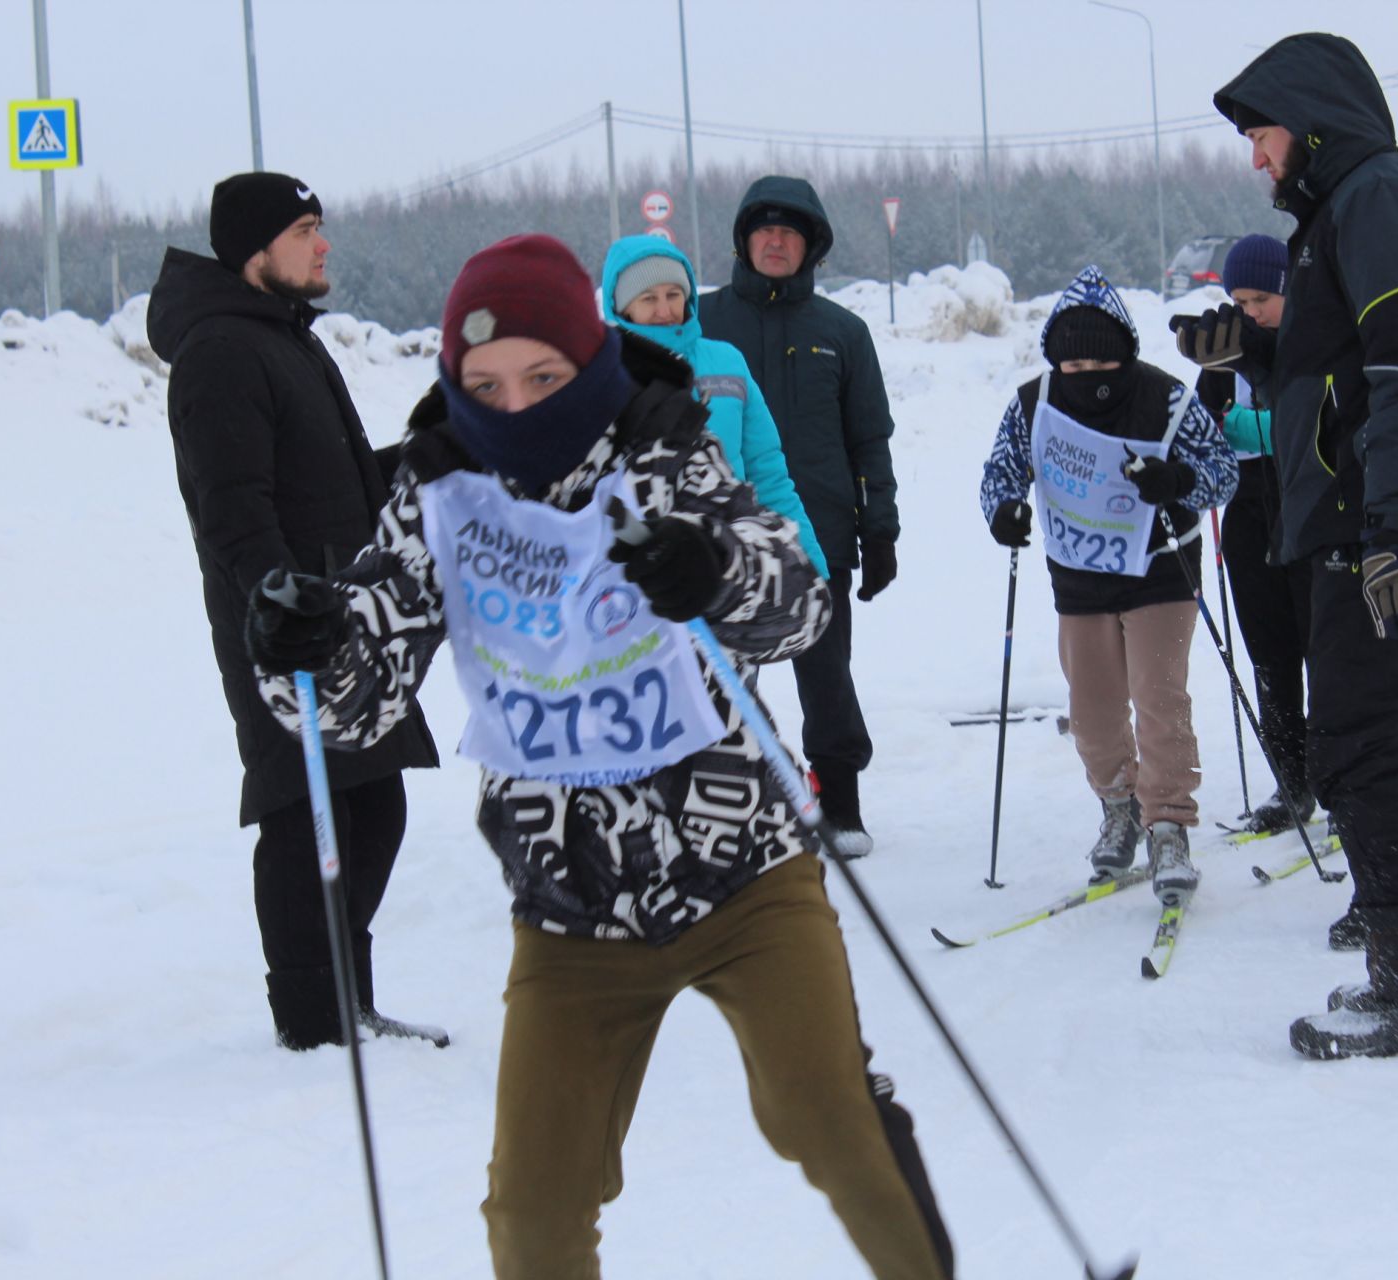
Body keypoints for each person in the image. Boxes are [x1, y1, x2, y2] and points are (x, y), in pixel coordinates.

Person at [244, 234, 956, 1273]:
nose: (515, 404)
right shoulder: (438, 485)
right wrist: (302, 651)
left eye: (543, 376)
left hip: (743, 875)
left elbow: (795, 607)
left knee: (830, 1121)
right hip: (569, 907)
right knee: (532, 1212)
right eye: (483, 383)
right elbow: (356, 698)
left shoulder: (665, 446)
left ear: (589, 360)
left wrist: (710, 568)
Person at [1195, 32, 1398, 1058]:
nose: (1255, 158)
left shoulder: (1379, 195)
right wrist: (1257, 349)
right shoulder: (1338, 213)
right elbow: (1345, 373)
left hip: (1373, 521)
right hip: (1364, 513)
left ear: (1307, 119)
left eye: (1260, 134)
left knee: (1356, 746)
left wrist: (1397, 526)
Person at [145, 172, 440, 1051]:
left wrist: (425, 457)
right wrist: (279, 600)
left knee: (372, 808)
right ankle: (314, 1024)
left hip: (339, 612)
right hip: (282, 626)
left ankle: (347, 1001)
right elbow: (232, 504)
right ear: (255, 250)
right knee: (303, 812)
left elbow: (332, 485)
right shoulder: (222, 353)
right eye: (308, 228)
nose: (323, 244)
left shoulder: (283, 340)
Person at [979, 266, 1238, 891]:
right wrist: (1005, 511)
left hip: (1160, 568)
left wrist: (1175, 482)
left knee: (1159, 699)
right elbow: (1001, 473)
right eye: (1073, 368)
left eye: (1100, 365)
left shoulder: (1165, 398)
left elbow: (1222, 471)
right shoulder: (1032, 403)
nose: (1086, 378)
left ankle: (1168, 823)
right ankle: (1119, 807)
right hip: (1080, 577)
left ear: (1123, 354)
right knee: (1092, 711)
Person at [698, 177, 898, 858]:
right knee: (716, 681)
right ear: (744, 240)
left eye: (790, 231)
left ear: (812, 245)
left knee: (826, 676)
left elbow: (870, 439)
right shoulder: (701, 325)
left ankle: (839, 804)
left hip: (820, 536)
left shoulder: (843, 333)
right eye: (763, 229)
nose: (776, 241)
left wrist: (881, 528)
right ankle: (726, 808)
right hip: (716, 544)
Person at [599, 233, 829, 578]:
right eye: (648, 298)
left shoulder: (726, 361)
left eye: (673, 294)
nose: (665, 310)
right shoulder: (602, 377)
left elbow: (767, 474)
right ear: (622, 306)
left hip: (731, 563)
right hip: (641, 577)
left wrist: (807, 565)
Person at [1194, 234, 1317, 835]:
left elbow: (1321, 417)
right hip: (1248, 517)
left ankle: (1342, 775)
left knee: (1325, 651)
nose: (1249, 312)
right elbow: (1203, 428)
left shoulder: (1309, 345)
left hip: (1310, 511)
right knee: (1270, 656)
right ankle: (1291, 780)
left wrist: (1253, 429)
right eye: (1238, 299)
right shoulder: (1223, 354)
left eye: (1262, 298)